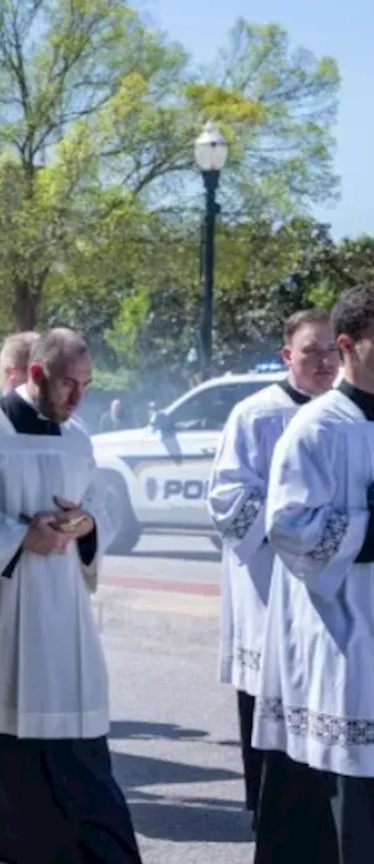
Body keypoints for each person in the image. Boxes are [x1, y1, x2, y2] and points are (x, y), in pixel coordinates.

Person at [0, 327, 141, 863]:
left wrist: (84, 525)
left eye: (86, 385)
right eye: (68, 385)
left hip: (60, 620)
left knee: (76, 759)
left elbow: (101, 508)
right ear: (35, 375)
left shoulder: (78, 438)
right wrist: (20, 535)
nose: (79, 398)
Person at [255, 286, 374, 863]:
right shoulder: (318, 428)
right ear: (351, 345)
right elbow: (289, 526)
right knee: (357, 800)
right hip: (348, 630)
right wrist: (367, 528)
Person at [207, 309, 337, 833]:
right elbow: (226, 500)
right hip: (268, 587)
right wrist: (293, 521)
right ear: (288, 355)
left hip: (332, 593)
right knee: (267, 700)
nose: (324, 361)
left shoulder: (350, 416)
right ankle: (266, 812)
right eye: (311, 351)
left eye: (332, 349)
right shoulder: (256, 415)